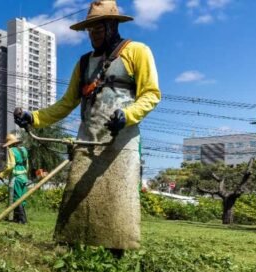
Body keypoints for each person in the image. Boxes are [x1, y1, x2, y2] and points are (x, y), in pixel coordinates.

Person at [14, 0, 160, 252]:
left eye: (98, 28)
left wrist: (128, 114)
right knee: (76, 195)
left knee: (119, 197)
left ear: (113, 25)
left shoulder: (137, 51)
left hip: (121, 141)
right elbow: (66, 103)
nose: (93, 34)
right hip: (87, 140)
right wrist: (34, 117)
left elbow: (151, 94)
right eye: (90, 29)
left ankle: (118, 252)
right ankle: (71, 248)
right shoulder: (83, 63)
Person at [0, 133, 30, 224]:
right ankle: (17, 219)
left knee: (16, 198)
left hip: (16, 177)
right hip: (24, 177)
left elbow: (11, 166)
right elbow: (27, 165)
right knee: (22, 198)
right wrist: (24, 174)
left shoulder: (11, 150)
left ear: (9, 144)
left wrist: (2, 175)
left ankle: (23, 220)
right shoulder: (24, 150)